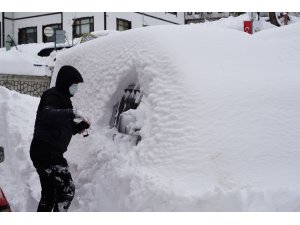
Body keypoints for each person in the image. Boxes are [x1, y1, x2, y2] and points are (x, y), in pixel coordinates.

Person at [30, 65, 90, 212]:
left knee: (49, 194)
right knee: (67, 190)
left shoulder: (64, 99)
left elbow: (63, 127)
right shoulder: (53, 95)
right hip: (46, 152)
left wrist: (80, 126)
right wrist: (72, 112)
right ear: (66, 82)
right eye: (74, 84)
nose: (76, 88)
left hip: (44, 152)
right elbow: (47, 113)